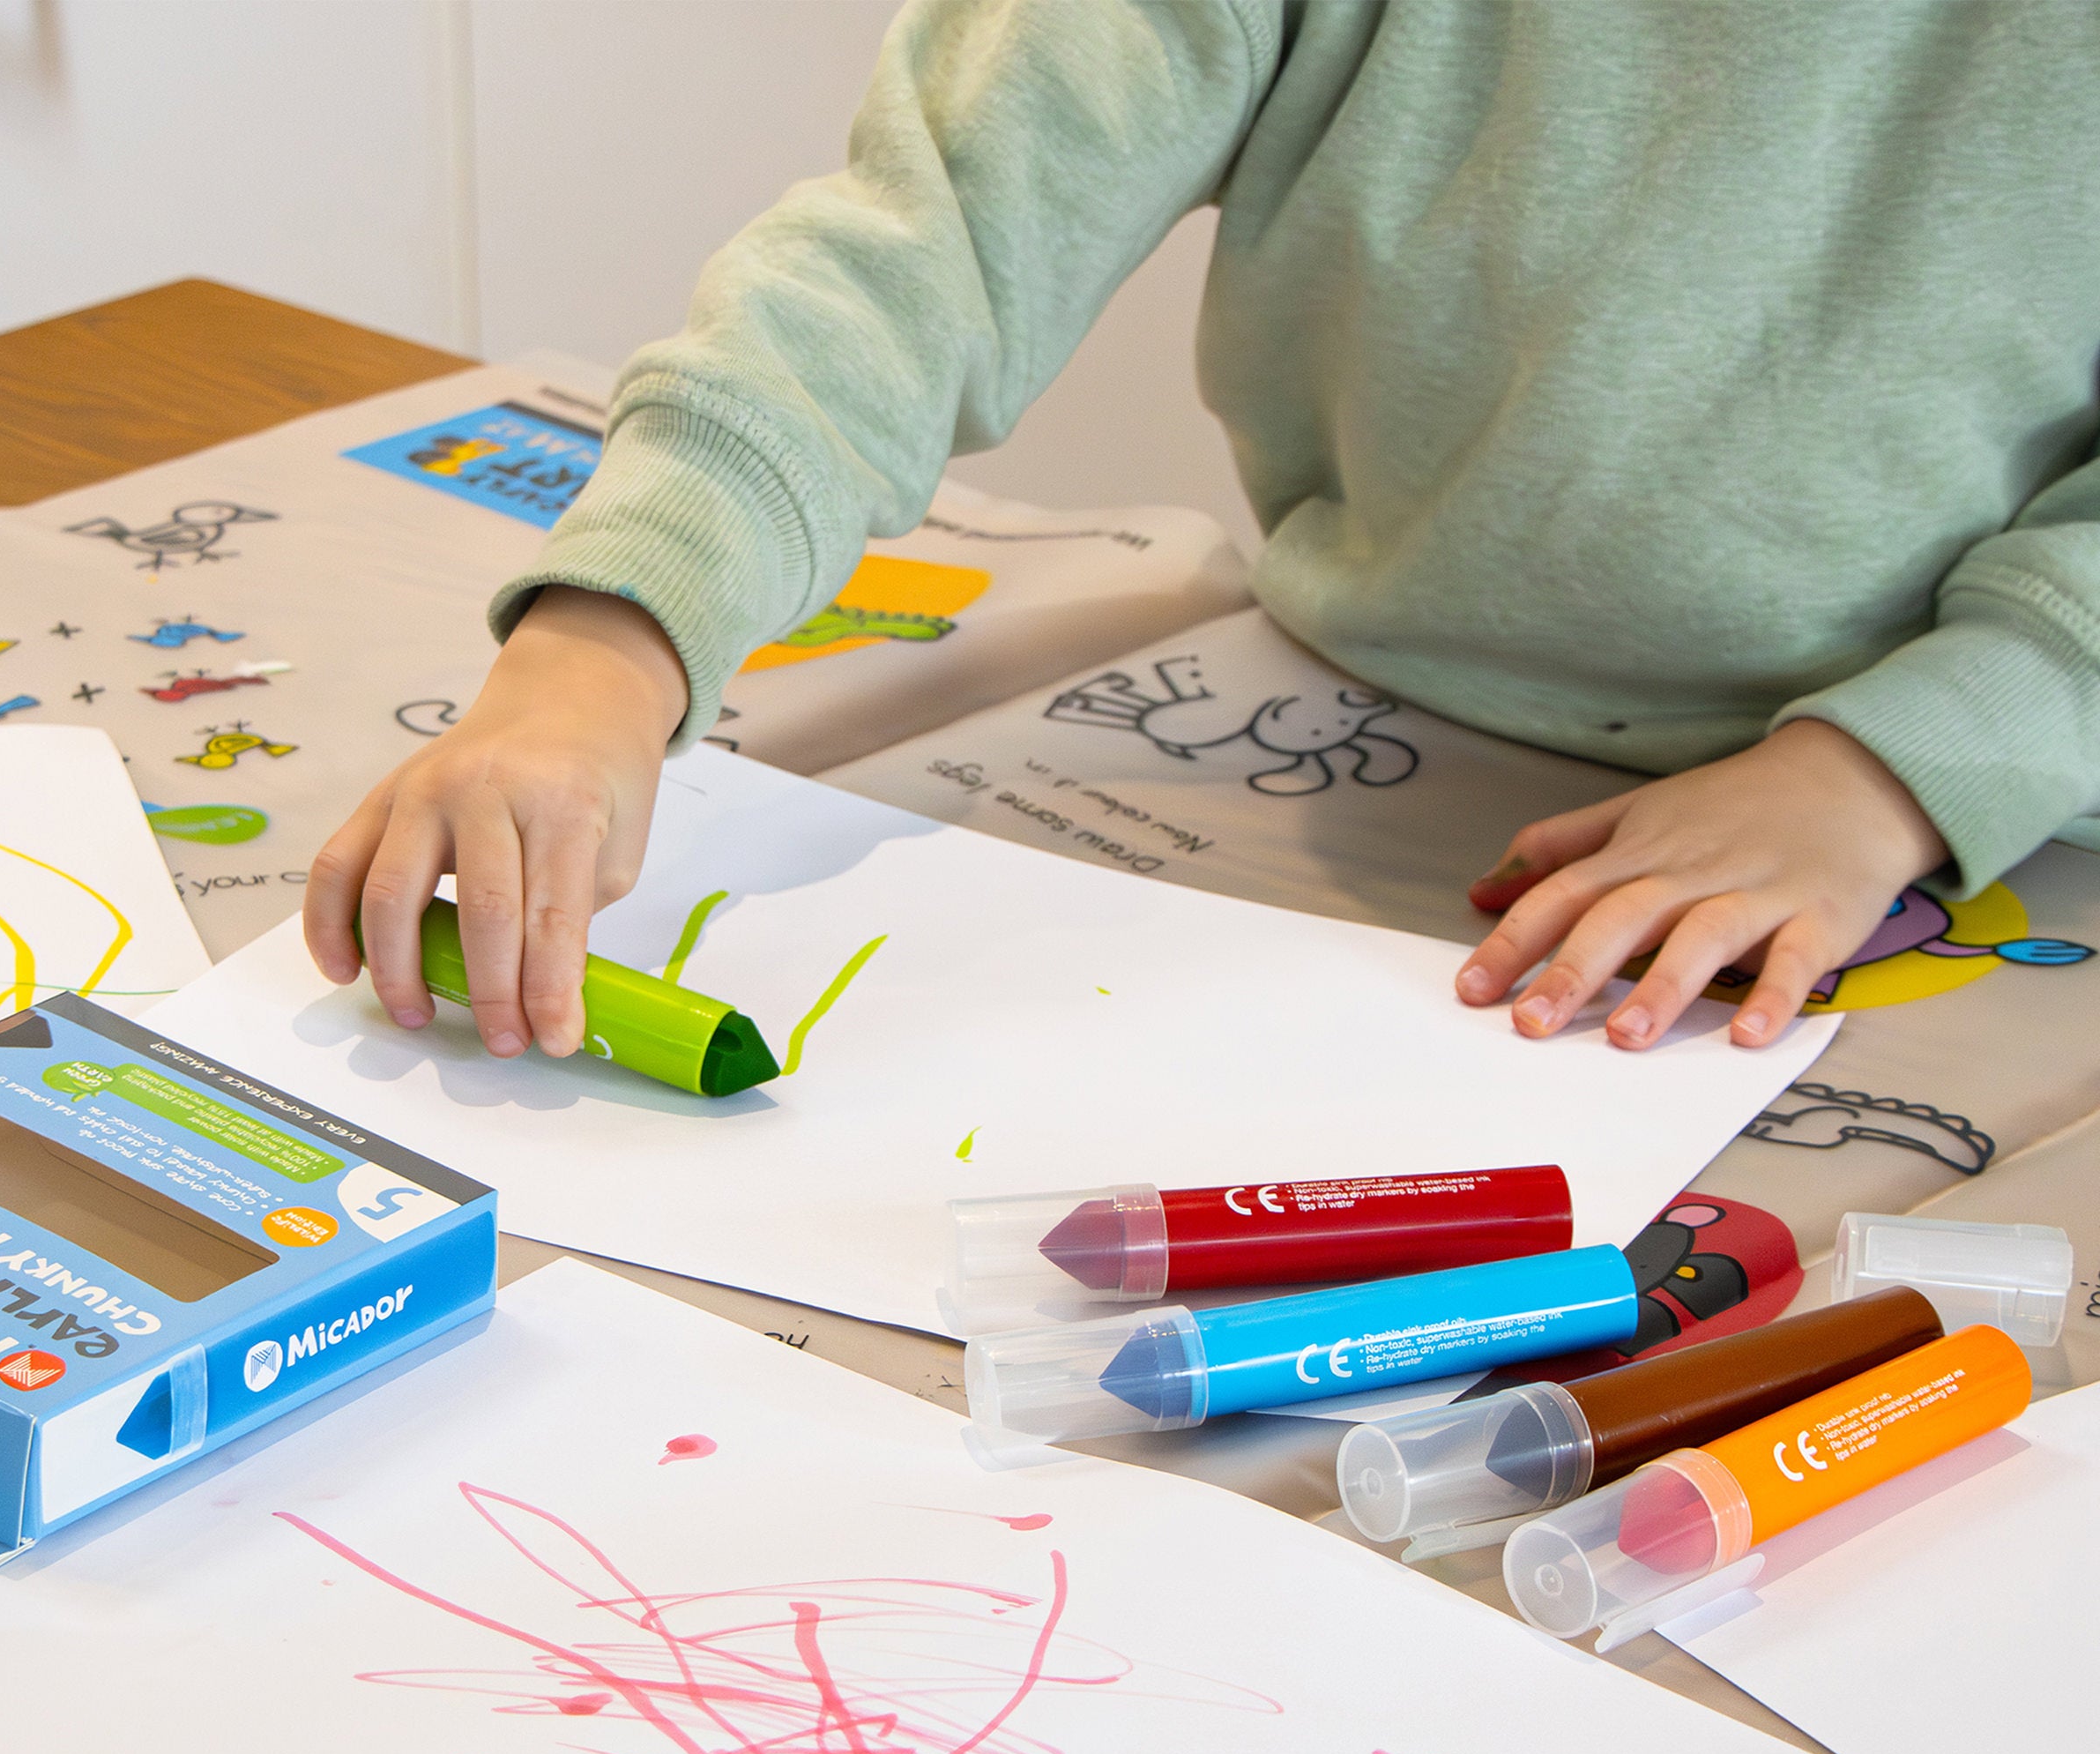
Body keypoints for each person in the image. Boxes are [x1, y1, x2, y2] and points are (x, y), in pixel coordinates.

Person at [305, 0, 2100, 1063]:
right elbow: (920, 256)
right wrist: (607, 644)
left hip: (1974, 802)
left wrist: (1894, 770)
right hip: (1366, 719)